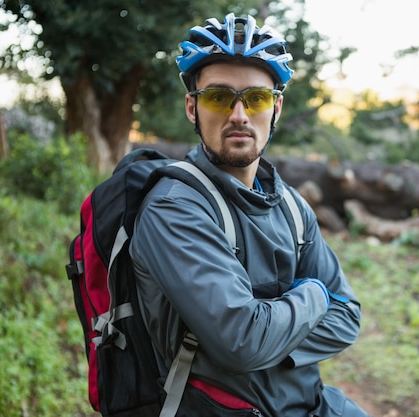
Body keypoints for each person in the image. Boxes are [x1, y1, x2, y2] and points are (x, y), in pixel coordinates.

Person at [130, 13, 371, 417]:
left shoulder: (292, 206)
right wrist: (312, 294)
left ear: (276, 108)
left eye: (255, 99)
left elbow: (347, 316)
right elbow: (243, 341)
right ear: (193, 107)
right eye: (219, 97)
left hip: (308, 403)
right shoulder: (174, 208)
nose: (239, 115)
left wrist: (265, 335)